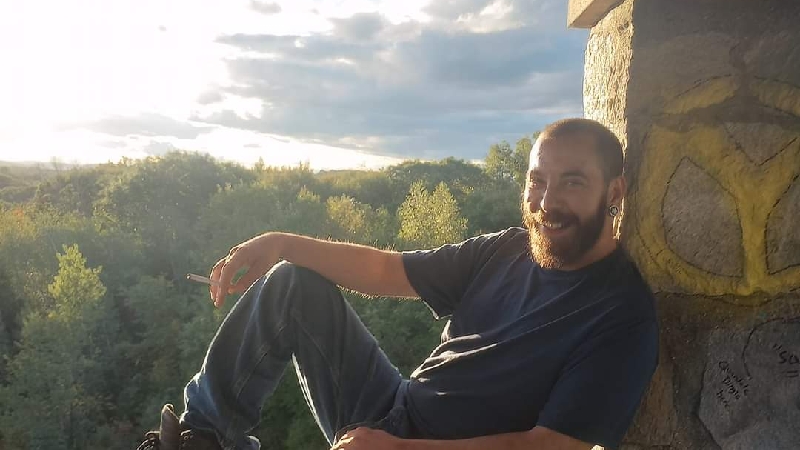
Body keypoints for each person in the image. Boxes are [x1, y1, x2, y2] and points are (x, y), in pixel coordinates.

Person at [136, 118, 659, 450]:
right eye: (537, 181)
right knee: (292, 282)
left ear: (614, 192)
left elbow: (549, 446)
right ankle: (204, 437)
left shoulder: (621, 313)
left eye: (573, 182)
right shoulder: (506, 249)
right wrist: (279, 243)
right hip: (397, 408)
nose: (547, 203)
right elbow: (387, 271)